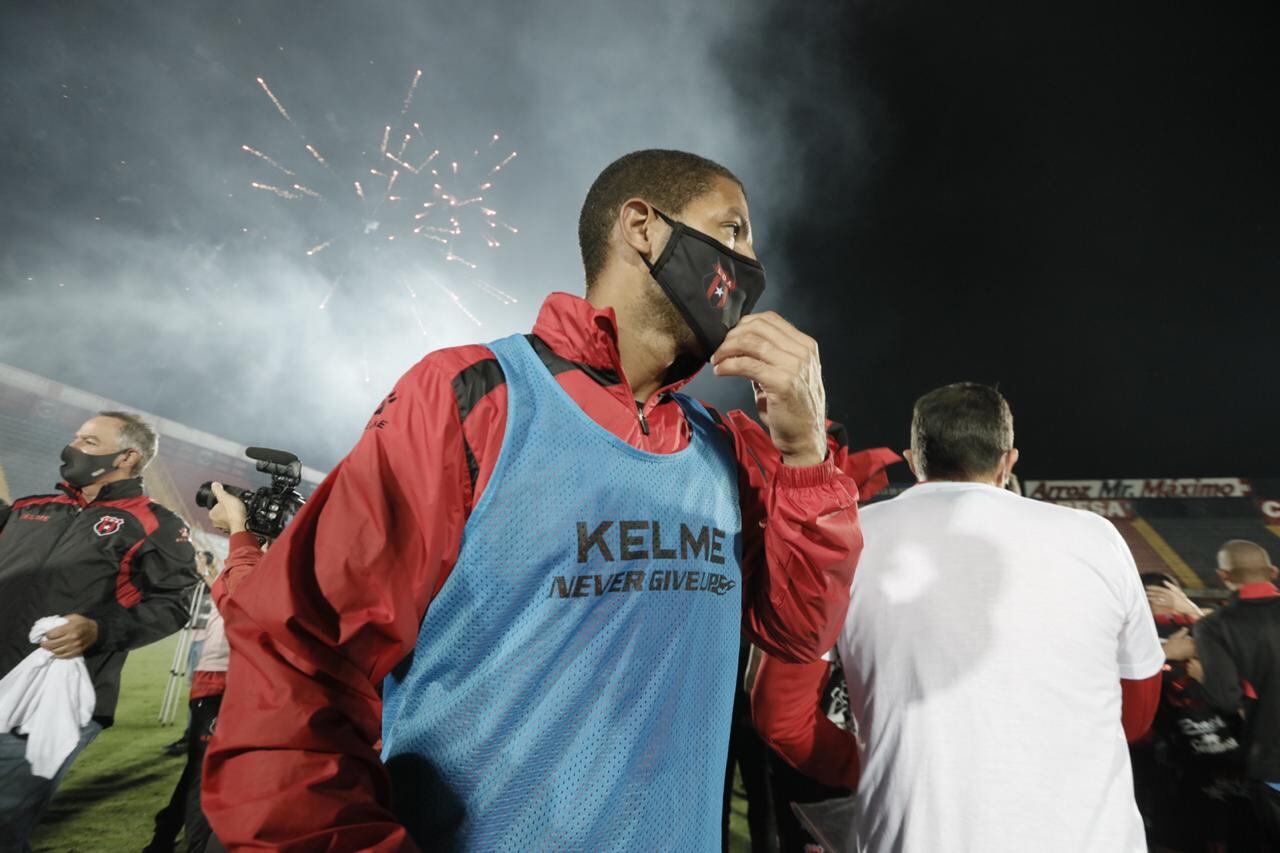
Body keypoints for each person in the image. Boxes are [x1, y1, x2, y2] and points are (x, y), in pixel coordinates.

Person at [204, 149, 864, 850]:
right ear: (641, 226)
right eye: (732, 230)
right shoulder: (473, 396)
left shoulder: (725, 448)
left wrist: (803, 457)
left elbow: (799, 633)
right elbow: (298, 660)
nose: (750, 264)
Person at [752, 382, 1164, 853]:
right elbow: (1136, 712)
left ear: (912, 461)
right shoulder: (1099, 539)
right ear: (1008, 461)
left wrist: (869, 764)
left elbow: (781, 717)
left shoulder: (845, 540)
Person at [0, 411, 198, 850]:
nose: (73, 447)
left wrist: (100, 630)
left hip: (57, 699)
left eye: (89, 441)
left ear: (127, 456)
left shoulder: (157, 524)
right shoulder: (28, 509)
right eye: (76, 437)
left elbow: (174, 603)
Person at [146, 486, 260, 853]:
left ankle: (175, 838)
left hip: (232, 674)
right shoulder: (249, 563)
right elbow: (233, 598)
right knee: (202, 769)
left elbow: (244, 604)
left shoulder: (262, 562)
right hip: (218, 674)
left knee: (204, 771)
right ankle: (175, 839)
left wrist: (242, 530)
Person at [1166, 540, 1280, 845]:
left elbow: (1226, 699)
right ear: (1273, 571)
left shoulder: (1215, 627)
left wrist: (1204, 675)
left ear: (1223, 577)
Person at [163, 551, 218, 758]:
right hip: (193, 639)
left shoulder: (211, 579)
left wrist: (204, 570)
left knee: (199, 691)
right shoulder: (194, 581)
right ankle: (191, 734)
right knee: (193, 688)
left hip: (204, 642)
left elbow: (217, 589)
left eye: (199, 559)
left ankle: (193, 735)